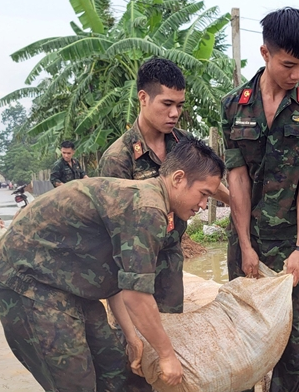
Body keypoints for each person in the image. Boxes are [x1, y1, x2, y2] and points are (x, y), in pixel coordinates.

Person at [0, 139, 224, 392]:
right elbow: (136, 293)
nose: (205, 205)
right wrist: (167, 354)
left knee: (115, 367)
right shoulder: (147, 209)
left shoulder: (148, 202)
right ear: (177, 179)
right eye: (204, 194)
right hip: (27, 282)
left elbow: (116, 278)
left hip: (70, 280)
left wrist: (131, 338)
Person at [221, 7, 299, 392]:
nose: (298, 74)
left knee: (294, 324)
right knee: (242, 317)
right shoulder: (234, 106)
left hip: (291, 235)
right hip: (245, 234)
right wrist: (246, 245)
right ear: (265, 52)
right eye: (289, 64)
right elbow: (235, 177)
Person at [99, 57, 230, 314]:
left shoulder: (184, 143)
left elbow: (208, 185)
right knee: (136, 341)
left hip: (170, 259)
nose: (174, 114)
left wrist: (239, 205)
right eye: (167, 104)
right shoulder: (118, 159)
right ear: (143, 98)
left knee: (173, 332)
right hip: (134, 267)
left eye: (180, 106)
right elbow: (112, 233)